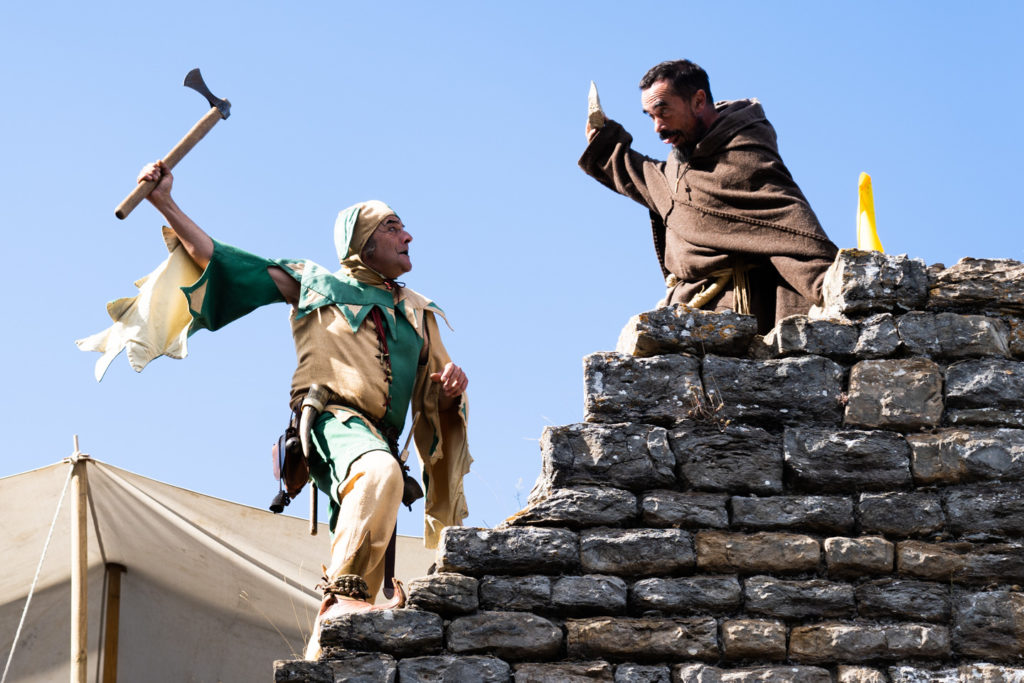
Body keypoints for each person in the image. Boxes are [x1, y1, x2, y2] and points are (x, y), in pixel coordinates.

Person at [136, 160, 472, 659]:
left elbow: (437, 392)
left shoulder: (418, 312)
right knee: (379, 477)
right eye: (393, 226)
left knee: (371, 523)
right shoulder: (315, 285)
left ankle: (328, 652)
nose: (408, 236)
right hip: (333, 422)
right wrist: (164, 202)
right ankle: (340, 600)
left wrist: (448, 391)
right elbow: (225, 262)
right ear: (364, 242)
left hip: (378, 439)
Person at [579, 59, 838, 333]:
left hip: (756, 310)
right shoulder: (678, 170)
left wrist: (834, 287)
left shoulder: (746, 154)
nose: (657, 127)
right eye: (650, 116)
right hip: (698, 315)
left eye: (663, 111)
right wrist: (606, 145)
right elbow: (646, 178)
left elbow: (787, 233)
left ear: (698, 101)